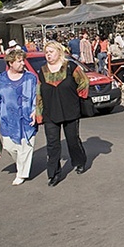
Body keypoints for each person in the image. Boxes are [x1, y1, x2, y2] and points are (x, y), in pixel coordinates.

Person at [35, 41, 89, 187]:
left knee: (72, 139)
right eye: (46, 52)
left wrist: (76, 97)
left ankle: (79, 162)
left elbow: (84, 82)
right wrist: (38, 114)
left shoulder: (71, 67)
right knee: (52, 145)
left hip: (70, 110)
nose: (48, 55)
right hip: (50, 113)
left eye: (51, 52)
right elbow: (39, 93)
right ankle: (54, 174)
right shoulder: (43, 71)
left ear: (59, 52)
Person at [0, 50, 38, 186]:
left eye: (23, 60)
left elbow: (36, 97)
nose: (22, 63)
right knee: (9, 146)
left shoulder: (30, 78)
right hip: (8, 119)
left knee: (25, 148)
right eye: (19, 61)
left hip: (27, 119)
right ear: (11, 63)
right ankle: (20, 164)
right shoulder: (1, 79)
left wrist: (35, 111)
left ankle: (21, 174)